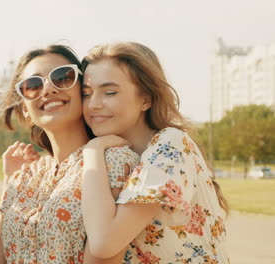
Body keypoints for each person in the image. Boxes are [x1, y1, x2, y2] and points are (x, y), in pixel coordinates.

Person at [80, 42, 230, 263]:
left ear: (146, 99)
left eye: (109, 92)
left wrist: (92, 151)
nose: (93, 104)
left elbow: (104, 243)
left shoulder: (170, 144)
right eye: (86, 93)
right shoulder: (113, 157)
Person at [0, 45, 140, 263]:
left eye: (62, 77)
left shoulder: (114, 161)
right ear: (25, 109)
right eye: (32, 85)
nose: (48, 89)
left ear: (83, 90)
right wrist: (9, 182)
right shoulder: (23, 178)